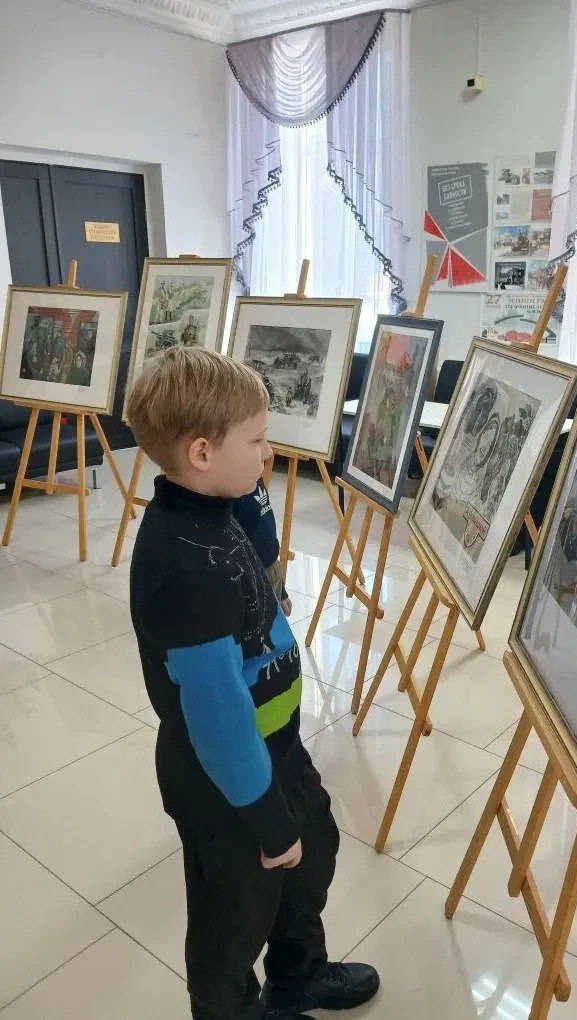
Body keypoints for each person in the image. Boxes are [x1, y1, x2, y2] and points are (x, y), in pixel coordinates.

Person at [126, 347, 379, 1020]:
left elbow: (259, 563)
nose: (268, 455)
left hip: (274, 747)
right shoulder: (184, 572)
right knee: (233, 919)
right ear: (202, 453)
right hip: (226, 783)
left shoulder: (217, 505)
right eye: (258, 440)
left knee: (311, 855)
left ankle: (298, 976)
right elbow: (218, 724)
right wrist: (266, 819)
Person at [233, 479, 292, 619]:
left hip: (271, 569)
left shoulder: (254, 475)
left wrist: (282, 591)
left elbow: (266, 528)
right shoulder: (229, 489)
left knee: (274, 624)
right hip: (249, 579)